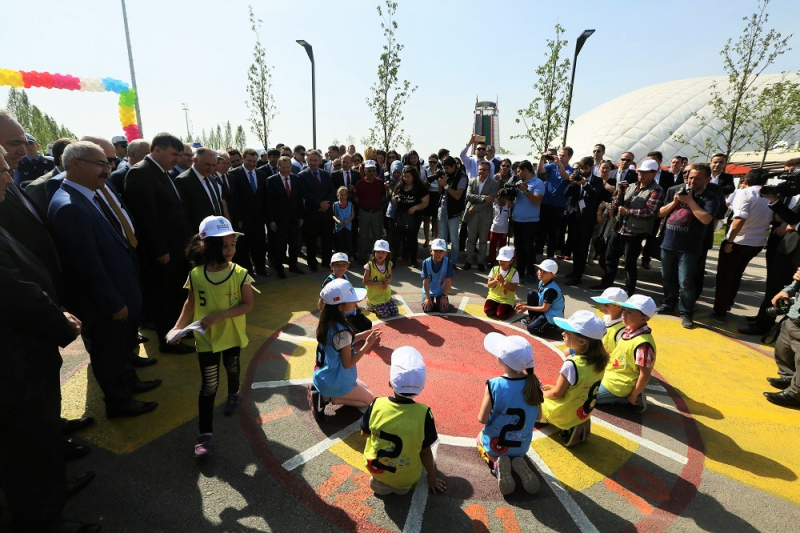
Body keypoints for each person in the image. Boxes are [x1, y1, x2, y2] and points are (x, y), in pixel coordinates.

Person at [0, 145, 99, 532]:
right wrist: (61, 323)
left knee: (39, 441)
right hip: (14, 365)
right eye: (4, 169)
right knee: (26, 446)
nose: (11, 176)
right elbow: (13, 291)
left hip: (24, 355)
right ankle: (41, 519)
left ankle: (50, 493)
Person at [49, 140, 160, 418]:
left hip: (119, 290)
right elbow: (86, 266)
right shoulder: (70, 206)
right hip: (105, 303)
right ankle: (119, 402)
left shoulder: (88, 197)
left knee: (120, 348)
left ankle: (129, 383)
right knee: (108, 353)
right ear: (74, 164)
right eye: (100, 164)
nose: (107, 170)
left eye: (108, 164)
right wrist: (112, 303)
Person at [168, 216, 254, 457]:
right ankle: (204, 435)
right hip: (206, 339)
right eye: (224, 245)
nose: (230, 250)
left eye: (232, 244)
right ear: (207, 246)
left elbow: (247, 305)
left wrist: (221, 315)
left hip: (231, 335)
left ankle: (234, 393)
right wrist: (177, 328)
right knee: (209, 385)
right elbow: (190, 302)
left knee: (232, 365)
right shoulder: (196, 274)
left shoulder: (240, 273)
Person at [123, 131, 194, 354]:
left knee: (177, 294)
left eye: (180, 155)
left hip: (177, 249)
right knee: (165, 297)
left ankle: (179, 330)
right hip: (163, 253)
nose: (177, 159)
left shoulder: (162, 172)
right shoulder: (140, 173)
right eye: (174, 154)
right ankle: (168, 341)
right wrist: (160, 250)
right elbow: (146, 218)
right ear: (157, 150)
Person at [361, 346, 446, 496]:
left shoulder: (376, 404)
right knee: (405, 483)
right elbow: (425, 452)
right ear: (421, 387)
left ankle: (380, 481)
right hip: (406, 479)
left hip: (375, 467)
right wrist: (432, 478)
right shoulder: (424, 413)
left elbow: (364, 434)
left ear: (390, 383)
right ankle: (399, 486)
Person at [478, 333, 543, 495]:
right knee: (514, 449)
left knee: (479, 439)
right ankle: (517, 461)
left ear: (502, 360)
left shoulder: (494, 384)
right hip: (521, 446)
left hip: (496, 445)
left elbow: (482, 419)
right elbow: (539, 417)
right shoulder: (535, 383)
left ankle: (495, 464)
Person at [657, 163, 719, 328]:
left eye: (697, 178)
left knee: (686, 282)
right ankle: (668, 304)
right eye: (690, 177)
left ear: (707, 179)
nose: (692, 181)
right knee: (667, 278)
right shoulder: (674, 190)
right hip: (668, 243)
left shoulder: (711, 197)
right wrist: (675, 202)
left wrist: (690, 201)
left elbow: (706, 219)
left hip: (689, 247)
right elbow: (660, 213)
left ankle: (686, 312)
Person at [309, 279, 382, 421]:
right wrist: (367, 344)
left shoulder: (328, 320)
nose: (356, 303)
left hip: (325, 374)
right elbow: (348, 363)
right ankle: (326, 398)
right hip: (335, 380)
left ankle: (325, 392)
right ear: (341, 307)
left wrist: (360, 336)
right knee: (369, 399)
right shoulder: (342, 332)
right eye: (352, 300)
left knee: (364, 387)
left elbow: (339, 345)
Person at [591, 159, 665, 295]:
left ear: (654, 173)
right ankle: (606, 283)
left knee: (630, 264)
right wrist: (620, 192)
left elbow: (650, 211)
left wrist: (629, 211)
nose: (640, 175)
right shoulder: (631, 186)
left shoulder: (656, 190)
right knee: (609, 259)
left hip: (635, 233)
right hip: (619, 228)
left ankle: (629, 290)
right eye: (639, 172)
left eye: (644, 173)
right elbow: (616, 205)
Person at [712, 168, 773, 322]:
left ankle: (720, 311)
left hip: (739, 241)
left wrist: (730, 240)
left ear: (746, 179)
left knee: (725, 277)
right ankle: (728, 303)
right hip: (757, 242)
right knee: (737, 274)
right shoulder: (770, 195)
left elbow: (740, 218)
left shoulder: (744, 193)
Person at [540, 310, 608, 446]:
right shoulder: (600, 360)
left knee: (528, 400)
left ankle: (567, 426)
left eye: (567, 332)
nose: (563, 333)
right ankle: (578, 423)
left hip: (565, 412)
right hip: (583, 410)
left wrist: (539, 394)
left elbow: (556, 394)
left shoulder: (572, 364)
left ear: (582, 341)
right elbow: (580, 386)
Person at [596, 295, 658, 413]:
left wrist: (633, 395)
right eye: (624, 310)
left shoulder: (643, 344)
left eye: (630, 312)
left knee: (588, 397)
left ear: (645, 318)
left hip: (620, 384)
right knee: (585, 383)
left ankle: (629, 397)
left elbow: (644, 374)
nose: (623, 314)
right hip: (611, 373)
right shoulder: (628, 330)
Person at [562, 157, 604, 285]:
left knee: (582, 248)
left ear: (591, 168)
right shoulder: (576, 177)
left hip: (587, 219)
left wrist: (585, 184)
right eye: (581, 168)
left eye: (585, 168)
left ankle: (578, 276)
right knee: (574, 246)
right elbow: (566, 194)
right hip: (575, 217)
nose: (583, 170)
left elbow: (596, 195)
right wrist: (572, 183)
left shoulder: (597, 180)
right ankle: (575, 271)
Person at [228, 148, 269, 276]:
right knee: (243, 247)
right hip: (243, 220)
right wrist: (238, 218)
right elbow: (234, 199)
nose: (252, 164)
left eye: (254, 161)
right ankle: (247, 272)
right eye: (249, 161)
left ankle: (261, 269)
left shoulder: (261, 175)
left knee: (260, 245)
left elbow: (264, 198)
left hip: (259, 219)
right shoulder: (234, 174)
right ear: (242, 159)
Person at [763, 269, 800, 408]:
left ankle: (796, 394)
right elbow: (797, 280)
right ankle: (789, 378)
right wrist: (789, 291)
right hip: (794, 316)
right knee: (783, 348)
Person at [265, 155, 304, 279]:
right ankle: (279, 268)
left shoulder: (296, 179)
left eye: (288, 167)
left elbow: (299, 199)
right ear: (278, 167)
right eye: (284, 167)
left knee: (294, 244)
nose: (286, 170)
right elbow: (268, 202)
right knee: (279, 245)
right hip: (278, 220)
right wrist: (270, 220)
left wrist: (301, 216)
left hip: (294, 219)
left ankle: (293, 265)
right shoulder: (271, 180)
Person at [299, 150, 336, 271]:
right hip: (312, 213)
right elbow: (305, 193)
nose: (313, 163)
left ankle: (326, 261)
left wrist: (326, 203)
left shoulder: (326, 174)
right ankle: (312, 262)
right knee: (311, 240)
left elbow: (332, 190)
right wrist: (319, 203)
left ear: (320, 160)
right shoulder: (302, 175)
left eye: (316, 160)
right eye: (311, 160)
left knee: (327, 239)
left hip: (326, 212)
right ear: (307, 160)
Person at [510, 160, 545, 285]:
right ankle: (519, 272)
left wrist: (525, 190)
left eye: (519, 171)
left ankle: (531, 273)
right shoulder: (518, 183)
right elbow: (516, 201)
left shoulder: (538, 183)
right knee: (519, 248)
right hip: (516, 220)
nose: (518, 174)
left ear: (526, 170)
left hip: (530, 222)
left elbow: (537, 201)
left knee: (529, 249)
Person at [319, 252, 372, 333]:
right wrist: (326, 318)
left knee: (367, 324)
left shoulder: (345, 277)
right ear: (331, 266)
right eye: (337, 265)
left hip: (349, 310)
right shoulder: (329, 282)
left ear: (348, 266)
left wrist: (356, 306)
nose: (341, 268)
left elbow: (350, 295)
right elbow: (321, 301)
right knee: (356, 330)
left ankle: (350, 326)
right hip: (340, 314)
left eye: (344, 264)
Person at [535, 147, 573, 259]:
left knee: (553, 233)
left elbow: (566, 177)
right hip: (546, 203)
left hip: (558, 206)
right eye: (560, 154)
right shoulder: (552, 166)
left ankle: (550, 256)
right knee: (541, 231)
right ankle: (538, 253)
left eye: (563, 155)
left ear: (569, 157)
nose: (560, 157)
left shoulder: (571, 169)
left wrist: (559, 165)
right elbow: (540, 170)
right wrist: (541, 159)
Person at [463, 161, 500, 271]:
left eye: (484, 169)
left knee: (483, 241)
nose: (481, 171)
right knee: (471, 239)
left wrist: (475, 207)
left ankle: (481, 262)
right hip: (472, 214)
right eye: (480, 169)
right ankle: (468, 260)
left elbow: (491, 200)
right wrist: (483, 197)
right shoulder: (472, 181)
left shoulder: (494, 183)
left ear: (489, 171)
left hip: (484, 215)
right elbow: (469, 196)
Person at [175, 147, 224, 230]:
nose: (211, 168)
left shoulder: (211, 178)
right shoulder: (183, 181)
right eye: (207, 164)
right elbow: (184, 214)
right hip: (198, 235)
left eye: (214, 165)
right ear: (195, 160)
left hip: (217, 231)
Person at [390, 164, 429, 267]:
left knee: (412, 238)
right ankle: (393, 260)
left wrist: (415, 207)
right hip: (400, 215)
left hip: (414, 216)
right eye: (404, 176)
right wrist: (394, 199)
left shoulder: (420, 187)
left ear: (414, 176)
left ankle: (413, 260)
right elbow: (393, 196)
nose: (406, 179)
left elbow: (425, 202)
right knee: (396, 239)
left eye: (408, 177)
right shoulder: (400, 185)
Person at [515, 259, 565, 337]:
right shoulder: (542, 282)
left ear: (552, 275)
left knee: (531, 329)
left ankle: (553, 326)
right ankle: (534, 320)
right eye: (540, 269)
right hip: (547, 310)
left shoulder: (551, 290)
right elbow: (540, 300)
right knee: (531, 294)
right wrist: (523, 304)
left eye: (544, 271)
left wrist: (526, 307)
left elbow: (545, 308)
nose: (540, 272)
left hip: (552, 315)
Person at [437, 156, 468, 261]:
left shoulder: (462, 177)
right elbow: (441, 192)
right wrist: (440, 184)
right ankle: (443, 260)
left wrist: (445, 185)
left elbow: (458, 195)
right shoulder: (447, 175)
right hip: (442, 210)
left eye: (447, 168)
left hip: (454, 212)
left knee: (454, 238)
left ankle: (453, 261)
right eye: (444, 168)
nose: (445, 170)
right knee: (442, 239)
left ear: (454, 166)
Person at [355, 160, 385, 260]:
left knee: (377, 236)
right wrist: (365, 206)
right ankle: (362, 258)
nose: (371, 173)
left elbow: (383, 196)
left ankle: (377, 258)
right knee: (363, 236)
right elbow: (356, 198)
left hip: (377, 212)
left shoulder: (380, 182)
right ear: (365, 171)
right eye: (369, 171)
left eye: (373, 170)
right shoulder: (360, 183)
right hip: (364, 212)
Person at [364, 239, 399, 319]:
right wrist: (378, 283)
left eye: (383, 252)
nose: (381, 254)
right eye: (378, 252)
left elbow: (390, 276)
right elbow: (365, 282)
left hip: (386, 294)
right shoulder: (369, 266)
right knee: (385, 314)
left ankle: (382, 304)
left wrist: (388, 281)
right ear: (374, 252)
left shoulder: (388, 264)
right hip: (375, 295)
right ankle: (371, 304)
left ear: (387, 254)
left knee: (395, 312)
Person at [484, 246, 519, 320]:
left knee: (501, 315)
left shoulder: (514, 272)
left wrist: (503, 282)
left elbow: (513, 289)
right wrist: (496, 280)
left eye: (504, 260)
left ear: (511, 260)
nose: (501, 262)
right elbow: (489, 285)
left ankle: (511, 307)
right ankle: (497, 306)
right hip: (493, 297)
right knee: (488, 311)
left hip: (506, 299)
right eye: (500, 259)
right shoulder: (494, 269)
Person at [590, 287, 629, 354]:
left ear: (619, 306)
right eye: (602, 304)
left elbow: (620, 353)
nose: (602, 307)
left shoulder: (622, 329)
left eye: (606, 305)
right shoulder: (606, 318)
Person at [421, 238, 455, 313]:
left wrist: (444, 296)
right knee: (427, 308)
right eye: (435, 250)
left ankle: (440, 300)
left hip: (441, 291)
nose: (438, 253)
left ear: (445, 253)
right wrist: (428, 298)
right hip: (429, 290)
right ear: (431, 251)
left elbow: (448, 282)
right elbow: (425, 281)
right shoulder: (426, 263)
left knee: (444, 309)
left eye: (441, 251)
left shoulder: (448, 262)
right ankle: (431, 300)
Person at [488, 188, 512, 266]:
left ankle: (502, 261)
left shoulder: (508, 207)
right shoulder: (494, 206)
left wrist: (510, 231)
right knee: (492, 246)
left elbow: (510, 218)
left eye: (504, 198)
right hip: (494, 228)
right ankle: (491, 260)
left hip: (503, 230)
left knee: (502, 247)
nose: (502, 200)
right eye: (500, 198)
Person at [421, 154, 441, 247]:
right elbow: (423, 184)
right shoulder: (425, 171)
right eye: (430, 162)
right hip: (428, 194)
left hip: (437, 194)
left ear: (437, 162)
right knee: (426, 218)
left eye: (434, 162)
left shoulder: (440, 172)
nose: (432, 164)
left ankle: (436, 240)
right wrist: (427, 183)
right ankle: (427, 239)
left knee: (436, 219)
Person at [333, 186, 354, 258]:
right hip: (339, 226)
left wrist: (348, 220)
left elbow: (352, 215)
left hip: (348, 226)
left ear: (347, 195)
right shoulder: (335, 204)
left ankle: (351, 258)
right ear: (338, 195)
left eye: (345, 195)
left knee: (349, 242)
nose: (343, 196)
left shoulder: (350, 204)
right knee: (340, 242)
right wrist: (338, 221)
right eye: (341, 194)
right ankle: (340, 258)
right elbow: (334, 215)